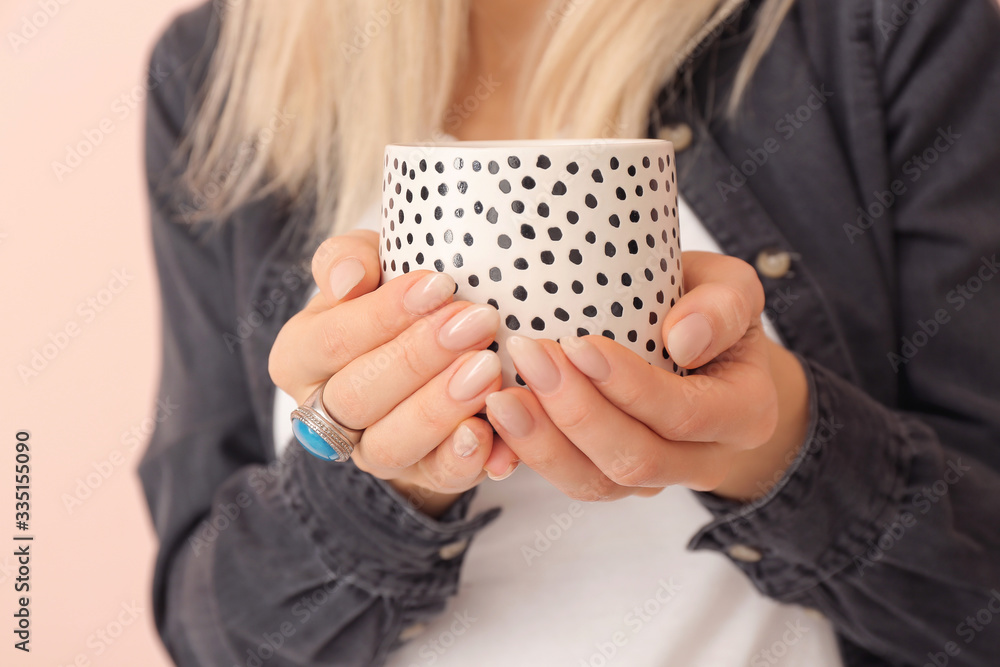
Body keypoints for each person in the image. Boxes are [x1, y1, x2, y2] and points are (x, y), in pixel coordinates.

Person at [139, 0, 1000, 665]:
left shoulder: (873, 27)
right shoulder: (221, 72)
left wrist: (779, 446)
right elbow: (215, 634)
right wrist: (370, 484)